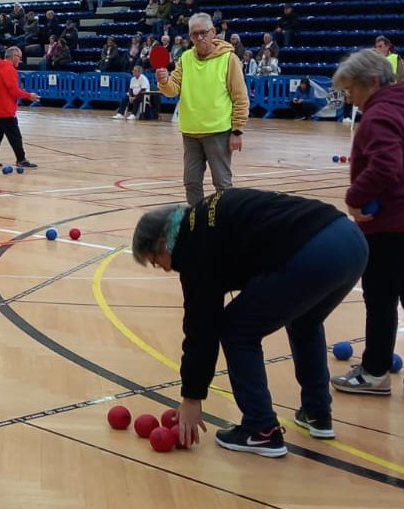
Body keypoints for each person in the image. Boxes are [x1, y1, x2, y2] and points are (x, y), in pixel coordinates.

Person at [131, 190, 368, 457]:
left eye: (155, 261)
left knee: (236, 329)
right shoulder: (200, 217)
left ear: (162, 242)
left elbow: (201, 329)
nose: (163, 269)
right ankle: (317, 413)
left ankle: (261, 429)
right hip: (351, 241)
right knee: (305, 320)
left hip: (316, 252)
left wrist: (191, 398)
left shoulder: (194, 246)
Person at [328, 49, 404, 403]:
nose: (351, 98)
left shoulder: (381, 114)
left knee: (381, 297)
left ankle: (375, 372)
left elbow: (386, 167)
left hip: (395, 222)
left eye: (353, 90)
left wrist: (354, 196)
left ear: (374, 82)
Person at [157, 13, 249, 206]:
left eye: (203, 33)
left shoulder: (229, 59)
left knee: (222, 184)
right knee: (191, 182)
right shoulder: (185, 58)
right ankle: (196, 224)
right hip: (190, 132)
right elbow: (172, 90)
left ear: (213, 32)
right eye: (194, 34)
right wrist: (164, 81)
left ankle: (224, 224)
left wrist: (237, 130)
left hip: (218, 132)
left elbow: (240, 97)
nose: (199, 38)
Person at [0, 46, 40, 169]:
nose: (20, 61)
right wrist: (29, 95)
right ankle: (21, 159)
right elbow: (13, 90)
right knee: (15, 136)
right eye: (19, 58)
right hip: (5, 109)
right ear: (14, 57)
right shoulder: (9, 69)